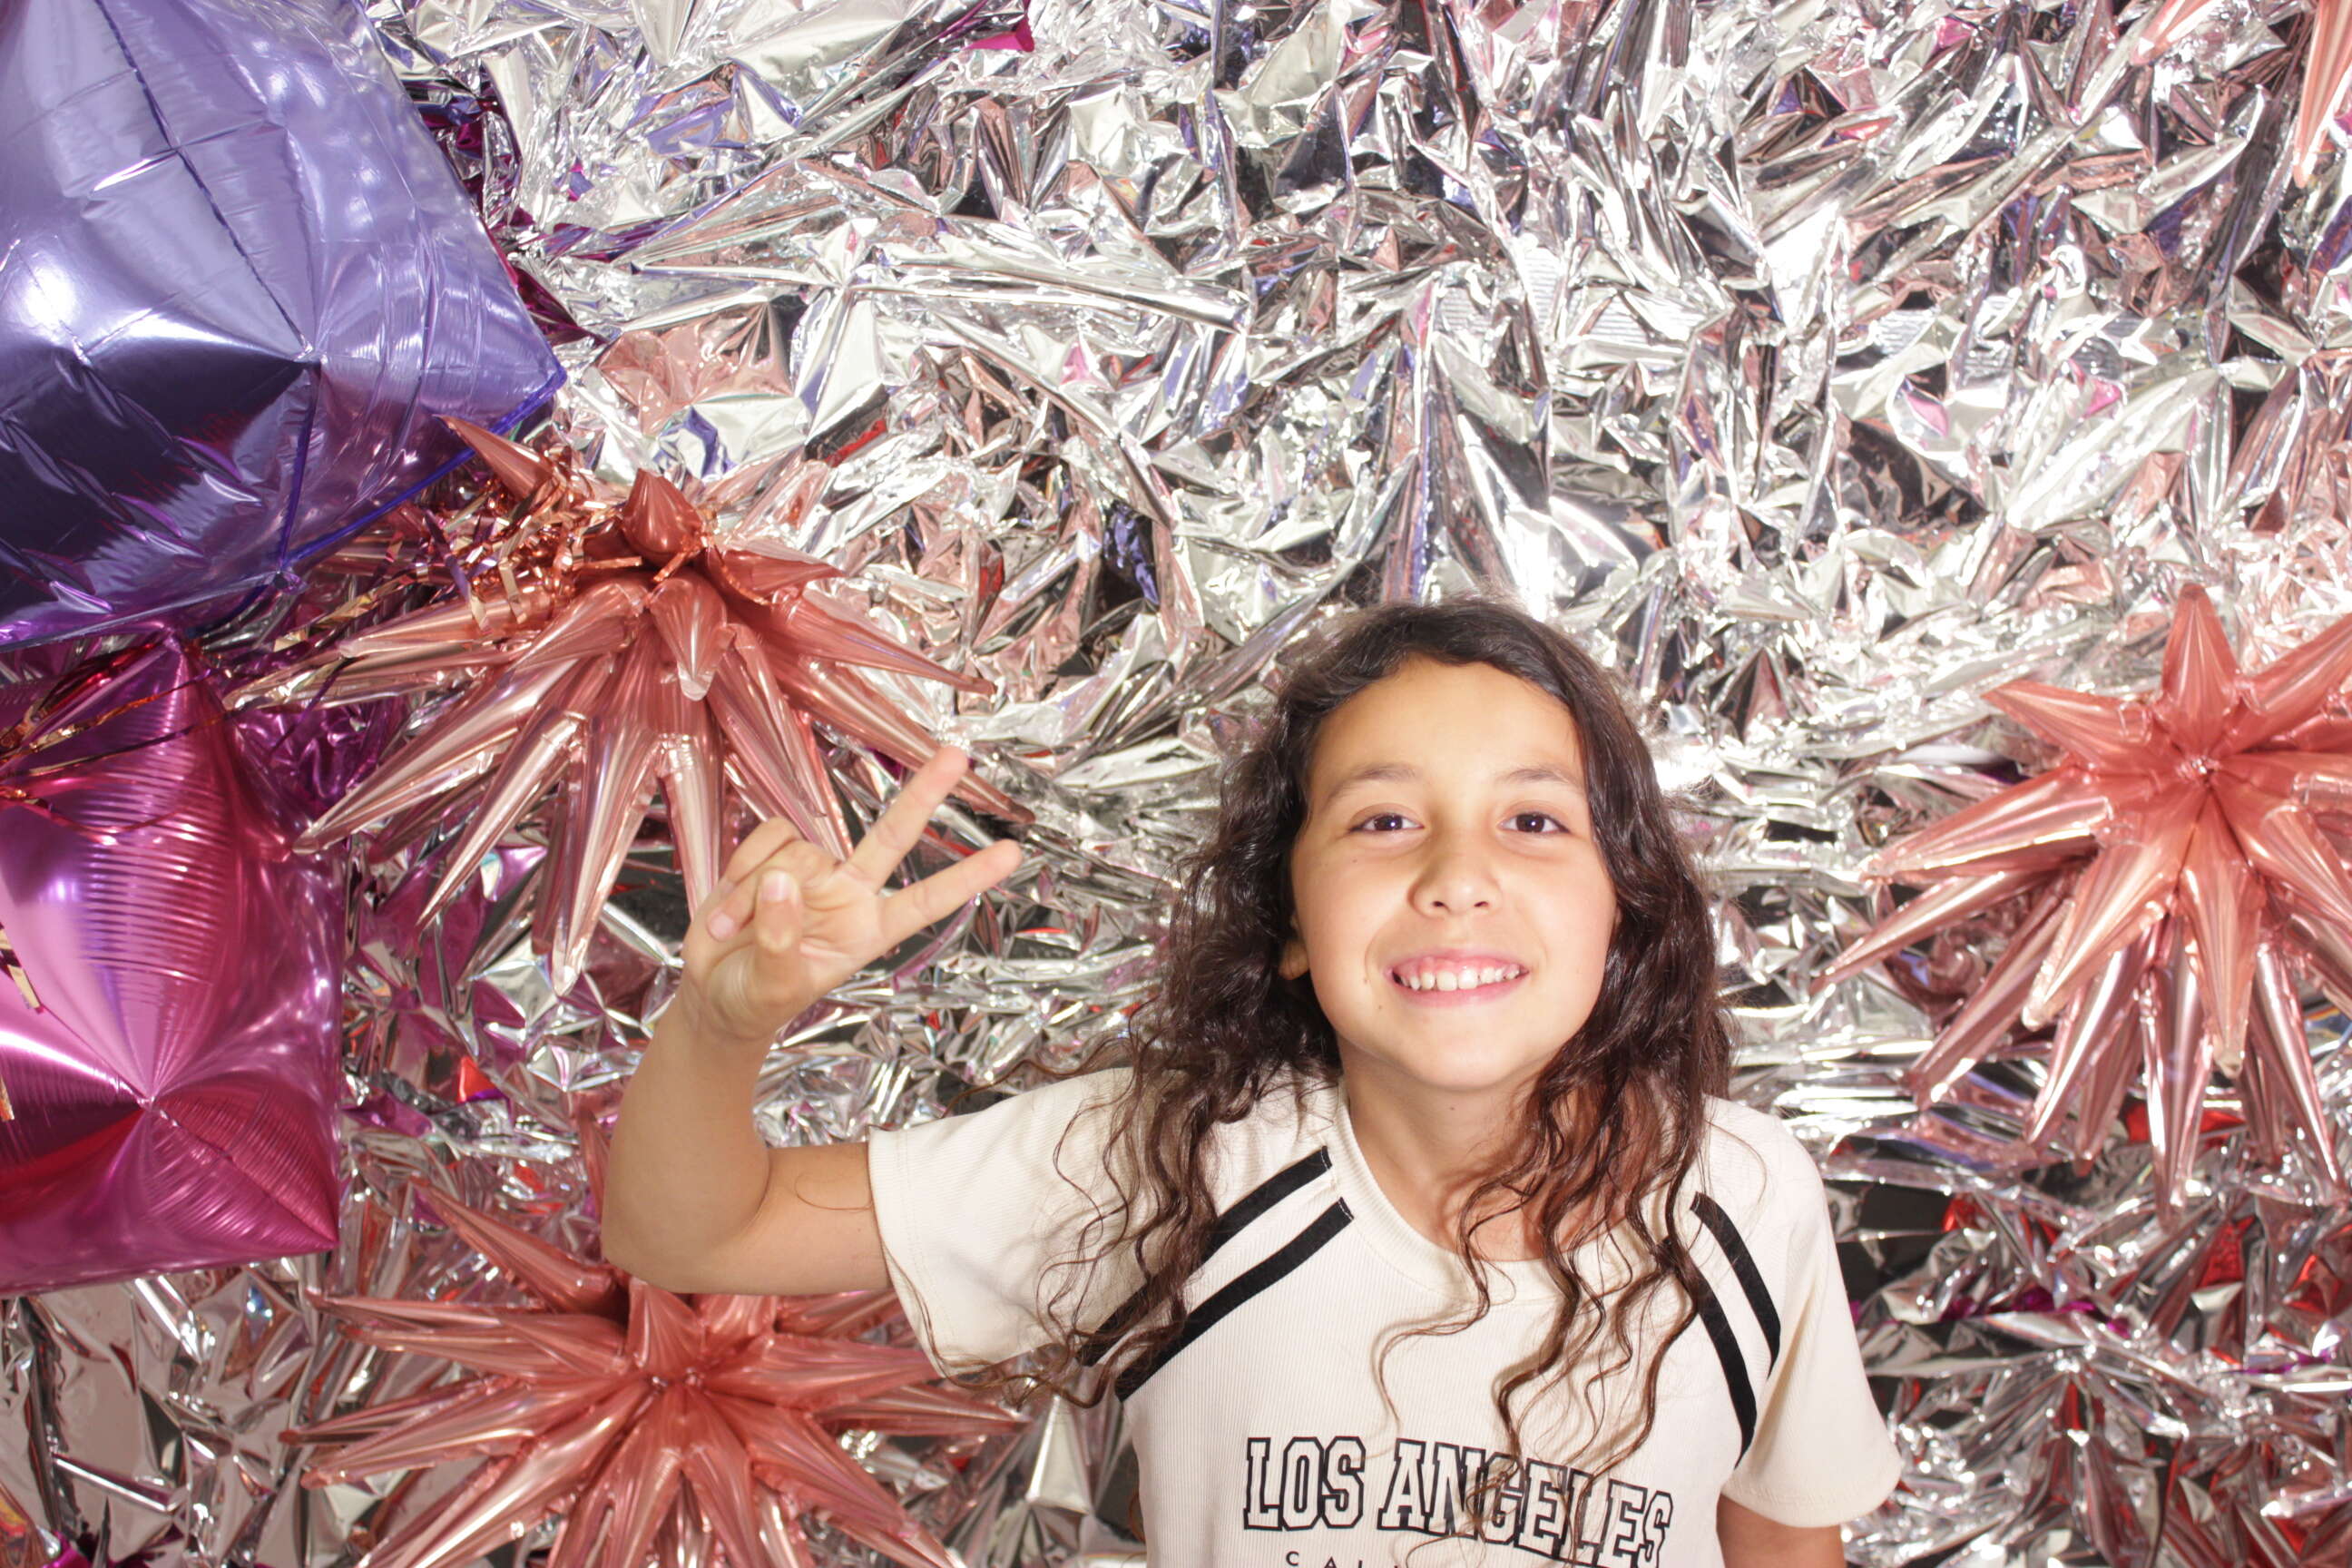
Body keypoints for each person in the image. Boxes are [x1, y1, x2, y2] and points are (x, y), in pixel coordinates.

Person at [605, 597, 1904, 1567]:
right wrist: (723, 1025)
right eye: (1383, 820)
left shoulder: (1743, 1198)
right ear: (1288, 922)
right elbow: (688, 1232)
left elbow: (1785, 1542)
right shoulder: (1173, 1159)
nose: (1458, 876)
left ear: (1621, 908)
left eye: (1533, 820)